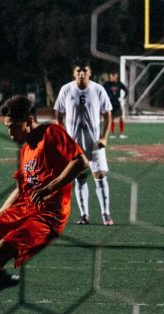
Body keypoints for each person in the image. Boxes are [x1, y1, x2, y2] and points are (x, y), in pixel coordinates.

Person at [0, 95, 89, 314]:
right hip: (24, 208)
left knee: (2, 250)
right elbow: (19, 190)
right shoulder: (25, 151)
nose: (10, 133)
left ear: (29, 120)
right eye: (7, 127)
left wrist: (50, 186)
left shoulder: (52, 133)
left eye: (14, 127)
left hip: (49, 214)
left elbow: (81, 162)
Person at [54, 58, 114, 226]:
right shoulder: (66, 89)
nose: (81, 74)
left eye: (85, 71)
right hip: (74, 144)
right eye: (78, 71)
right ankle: (84, 215)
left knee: (100, 176)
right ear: (74, 73)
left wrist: (105, 137)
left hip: (94, 143)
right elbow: (58, 112)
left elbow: (108, 113)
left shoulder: (98, 89)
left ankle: (106, 214)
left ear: (90, 72)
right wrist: (63, 134)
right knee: (79, 177)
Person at [103, 71, 128, 139]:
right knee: (111, 119)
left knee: (120, 118)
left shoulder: (119, 83)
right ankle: (112, 134)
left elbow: (126, 90)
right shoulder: (106, 84)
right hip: (109, 104)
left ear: (116, 76)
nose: (114, 77)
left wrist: (123, 98)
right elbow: (101, 91)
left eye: (115, 76)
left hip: (117, 103)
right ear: (110, 76)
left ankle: (121, 133)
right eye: (112, 76)